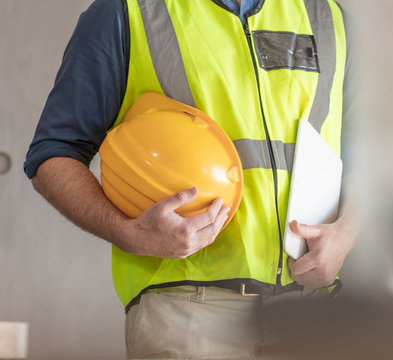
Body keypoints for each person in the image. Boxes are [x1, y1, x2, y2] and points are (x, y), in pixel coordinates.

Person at [24, 0, 360, 358]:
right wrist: (127, 233)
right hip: (189, 313)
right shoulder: (128, 12)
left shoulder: (328, 18)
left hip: (312, 314)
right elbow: (54, 153)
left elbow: (375, 159)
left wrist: (347, 233)